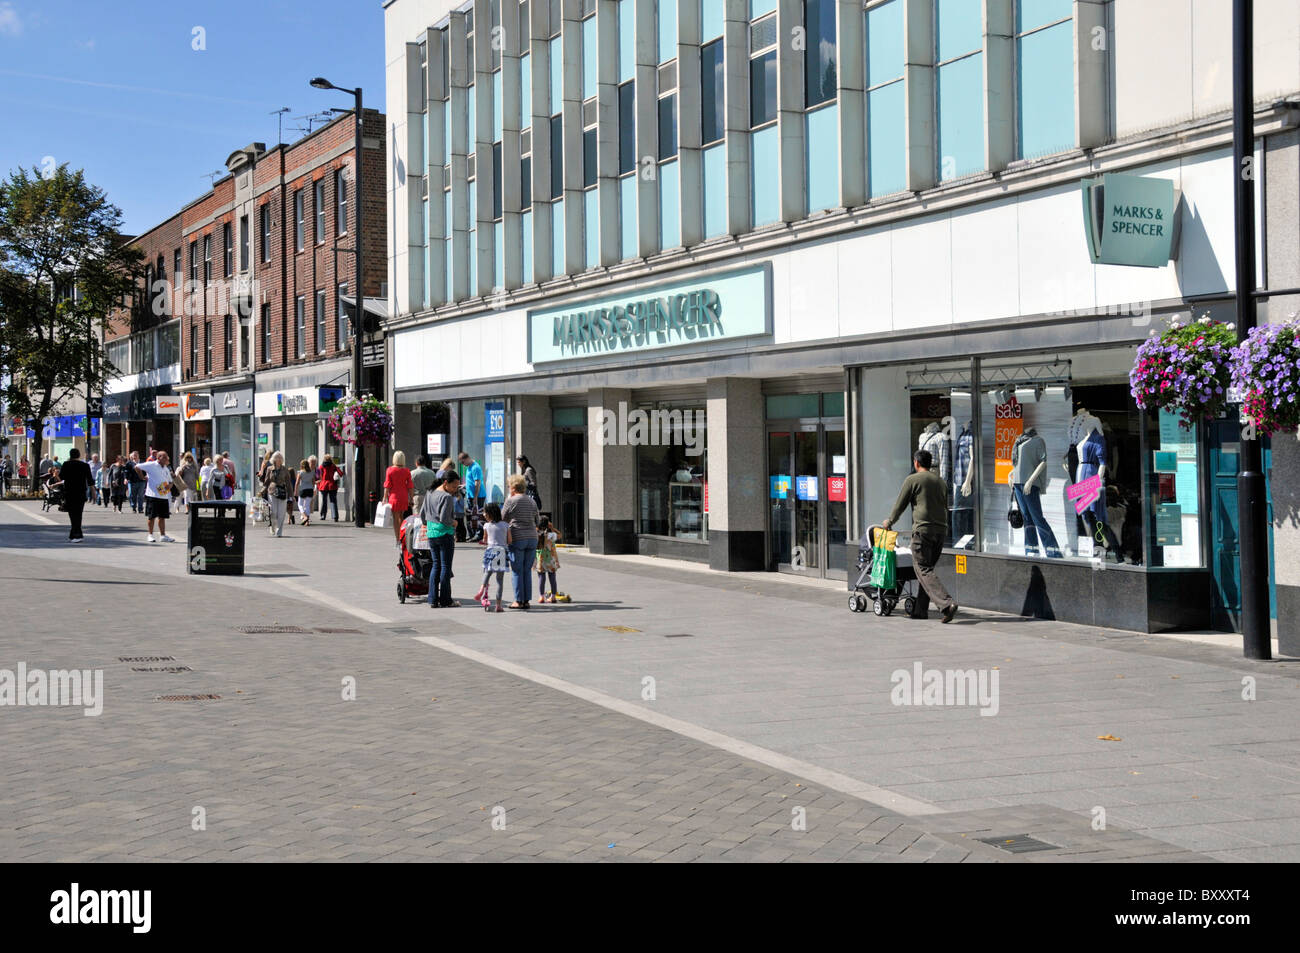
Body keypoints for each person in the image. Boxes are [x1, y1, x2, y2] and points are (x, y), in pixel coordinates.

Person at [882, 449, 959, 624]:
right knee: (927, 570)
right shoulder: (940, 481)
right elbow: (944, 506)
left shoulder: (912, 480)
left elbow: (900, 504)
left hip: (923, 531)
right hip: (940, 531)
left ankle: (947, 604)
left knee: (922, 568)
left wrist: (889, 521)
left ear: (916, 463)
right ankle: (920, 611)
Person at [421, 469, 460, 608]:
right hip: (445, 534)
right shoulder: (446, 497)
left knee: (436, 565)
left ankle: (432, 599)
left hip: (431, 534)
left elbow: (422, 514)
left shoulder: (430, 492)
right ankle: (445, 600)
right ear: (445, 483)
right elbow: (445, 519)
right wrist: (454, 522)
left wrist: (427, 525)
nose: (455, 490)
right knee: (445, 566)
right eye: (454, 486)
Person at [502, 473, 539, 610]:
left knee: (517, 570)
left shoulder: (511, 501)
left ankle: (518, 600)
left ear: (513, 487)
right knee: (527, 570)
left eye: (508, 486)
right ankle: (526, 600)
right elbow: (538, 521)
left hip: (517, 537)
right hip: (532, 537)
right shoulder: (531, 501)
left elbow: (502, 518)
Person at [132, 450, 176, 543]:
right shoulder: (151, 465)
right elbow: (137, 467)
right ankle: (150, 535)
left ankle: (163, 535)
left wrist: (170, 485)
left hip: (163, 495)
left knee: (162, 517)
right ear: (159, 457)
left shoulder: (166, 468)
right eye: (164, 457)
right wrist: (142, 477)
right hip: (153, 495)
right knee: (151, 516)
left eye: (167, 457)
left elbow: (171, 481)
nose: (166, 459)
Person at [474, 502, 509, 612]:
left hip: (491, 550)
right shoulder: (505, 525)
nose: (484, 514)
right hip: (502, 551)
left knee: (487, 572)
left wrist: (486, 541)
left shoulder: (487, 526)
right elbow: (510, 540)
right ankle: (498, 605)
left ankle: (481, 589)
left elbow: (485, 539)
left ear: (490, 514)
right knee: (500, 580)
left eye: (485, 512)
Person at [59, 448, 92, 542]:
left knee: (72, 514)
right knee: (79, 513)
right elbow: (90, 480)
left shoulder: (66, 464)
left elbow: (62, 477)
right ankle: (76, 533)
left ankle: (75, 534)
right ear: (79, 455)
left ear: (70, 455)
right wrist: (93, 493)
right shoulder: (85, 465)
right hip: (81, 492)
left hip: (69, 492)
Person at [384, 451, 414, 547]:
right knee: (402, 517)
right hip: (404, 496)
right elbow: (410, 486)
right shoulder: (406, 471)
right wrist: (411, 498)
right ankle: (402, 537)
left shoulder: (390, 470)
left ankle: (397, 539)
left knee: (395, 519)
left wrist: (384, 497)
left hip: (394, 496)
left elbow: (387, 485)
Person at [260, 452, 293, 537]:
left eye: (279, 458)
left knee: (281, 513)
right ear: (273, 459)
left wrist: (291, 495)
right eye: (276, 458)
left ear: (281, 460)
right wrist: (262, 491)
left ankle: (279, 531)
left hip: (282, 492)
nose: (278, 459)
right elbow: (266, 482)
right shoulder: (269, 469)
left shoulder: (285, 470)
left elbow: (289, 483)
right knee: (273, 512)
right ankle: (273, 526)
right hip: (272, 491)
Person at [458, 452, 486, 541]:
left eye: (463, 462)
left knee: (477, 515)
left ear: (467, 458)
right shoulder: (469, 467)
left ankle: (479, 534)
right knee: (471, 515)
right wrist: (464, 485)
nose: (463, 465)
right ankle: (472, 534)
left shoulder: (475, 467)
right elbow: (471, 481)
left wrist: (475, 497)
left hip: (478, 496)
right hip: (470, 495)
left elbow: (477, 483)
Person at [535, 516, 562, 604]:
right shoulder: (551, 534)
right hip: (551, 559)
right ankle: (553, 596)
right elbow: (560, 535)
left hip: (541, 558)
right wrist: (553, 528)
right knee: (552, 577)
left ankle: (541, 596)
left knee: (541, 577)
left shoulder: (537, 533)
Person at [317, 455, 343, 521]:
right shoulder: (333, 466)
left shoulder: (321, 466)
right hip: (332, 485)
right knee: (333, 501)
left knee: (324, 501)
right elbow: (341, 473)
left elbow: (317, 475)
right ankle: (335, 516)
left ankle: (323, 515)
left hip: (324, 485)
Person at [294, 458, 316, 526]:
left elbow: (297, 483)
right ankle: (307, 522)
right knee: (307, 505)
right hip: (310, 490)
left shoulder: (300, 472)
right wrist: (313, 489)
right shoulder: (312, 472)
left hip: (303, 490)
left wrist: (295, 491)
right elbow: (313, 482)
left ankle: (304, 516)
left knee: (300, 504)